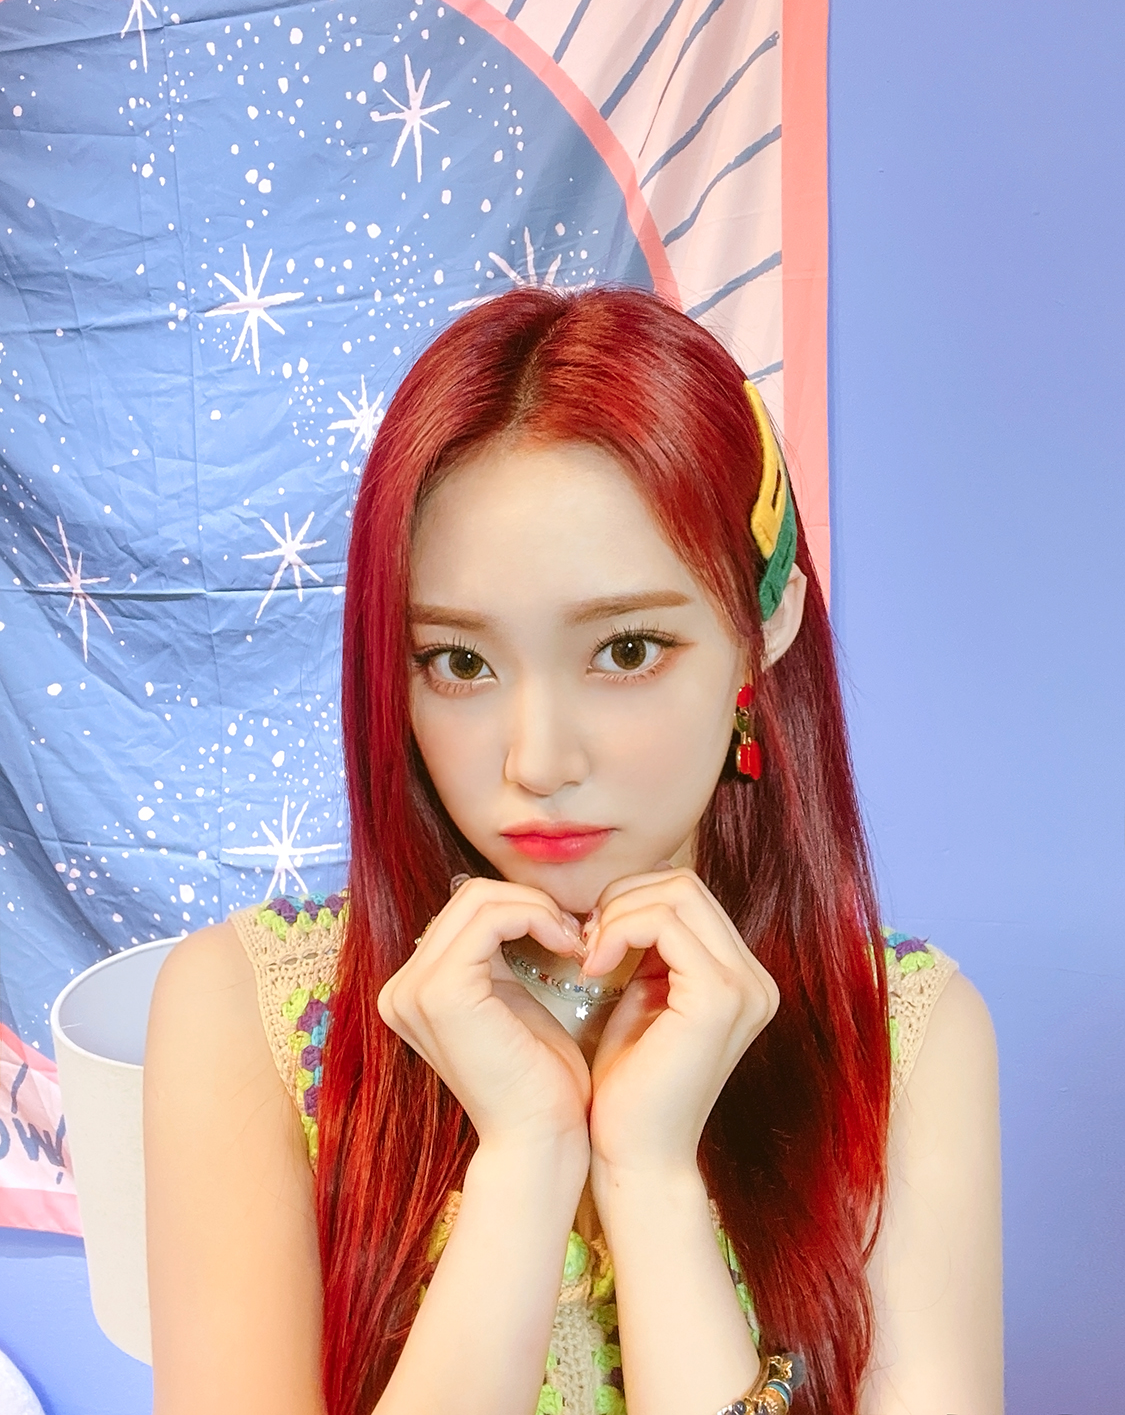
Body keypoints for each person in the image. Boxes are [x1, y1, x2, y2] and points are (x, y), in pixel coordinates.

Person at [144, 287, 1002, 1415]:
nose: (537, 761)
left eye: (627, 649)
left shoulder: (899, 1037)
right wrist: (526, 1160)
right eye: (460, 663)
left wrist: (651, 1184)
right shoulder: (249, 1013)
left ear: (765, 627)